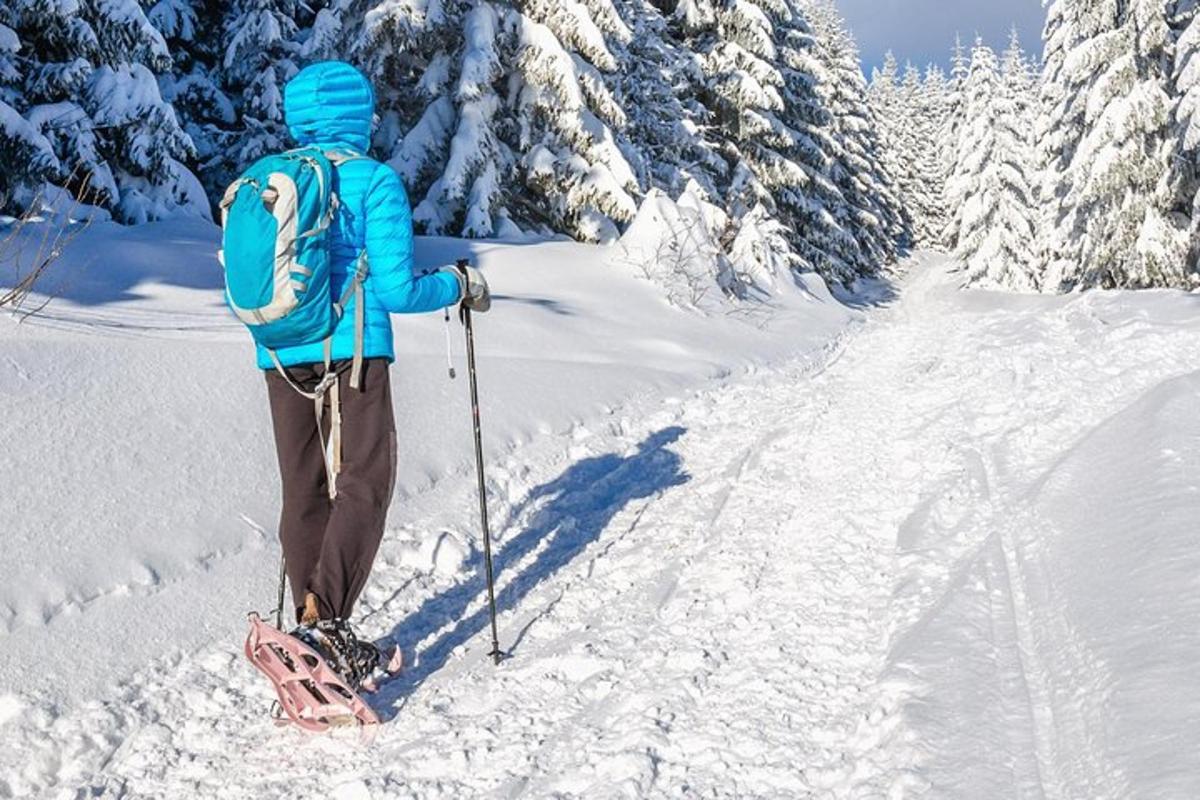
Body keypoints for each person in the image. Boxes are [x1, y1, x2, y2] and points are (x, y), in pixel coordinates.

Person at [258, 61, 490, 685]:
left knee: (302, 488)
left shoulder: (269, 183)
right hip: (355, 349)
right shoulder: (373, 182)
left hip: (279, 352)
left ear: (298, 116)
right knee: (365, 479)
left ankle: (313, 625)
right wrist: (458, 284)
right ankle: (326, 629)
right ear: (360, 116)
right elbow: (397, 290)